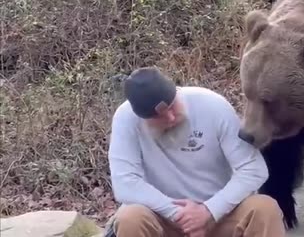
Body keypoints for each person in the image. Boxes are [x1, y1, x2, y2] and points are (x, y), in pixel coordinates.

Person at [103, 66, 286, 237]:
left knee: (264, 208)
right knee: (130, 217)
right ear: (142, 119)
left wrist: (208, 211)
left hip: (220, 215)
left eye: (172, 106)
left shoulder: (212, 105)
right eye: (159, 116)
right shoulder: (125, 119)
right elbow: (125, 184)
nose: (171, 117)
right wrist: (178, 214)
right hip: (163, 219)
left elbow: (253, 169)